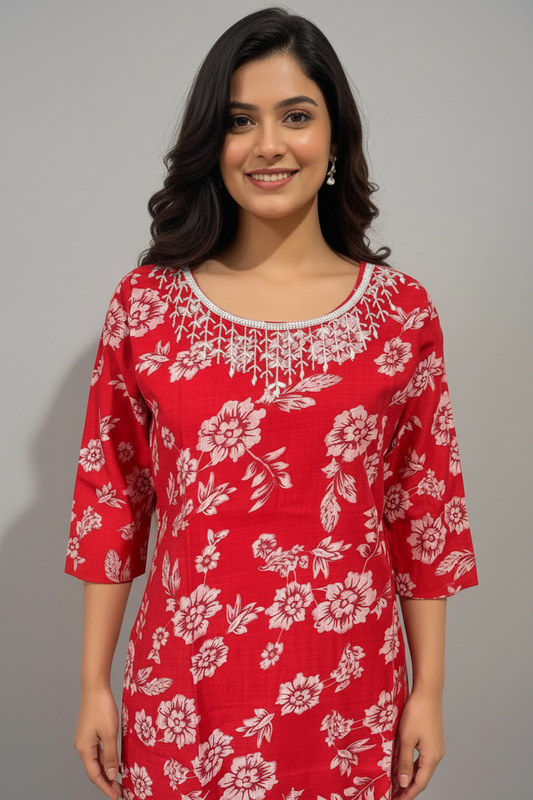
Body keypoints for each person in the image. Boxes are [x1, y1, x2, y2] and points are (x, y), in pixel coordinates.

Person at [66, 7, 478, 800]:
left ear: (333, 137)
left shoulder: (399, 313)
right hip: (184, 691)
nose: (268, 145)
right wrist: (93, 683)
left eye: (296, 116)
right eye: (239, 121)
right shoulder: (148, 306)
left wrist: (426, 692)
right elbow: (111, 499)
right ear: (210, 145)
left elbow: (423, 512)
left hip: (350, 690)